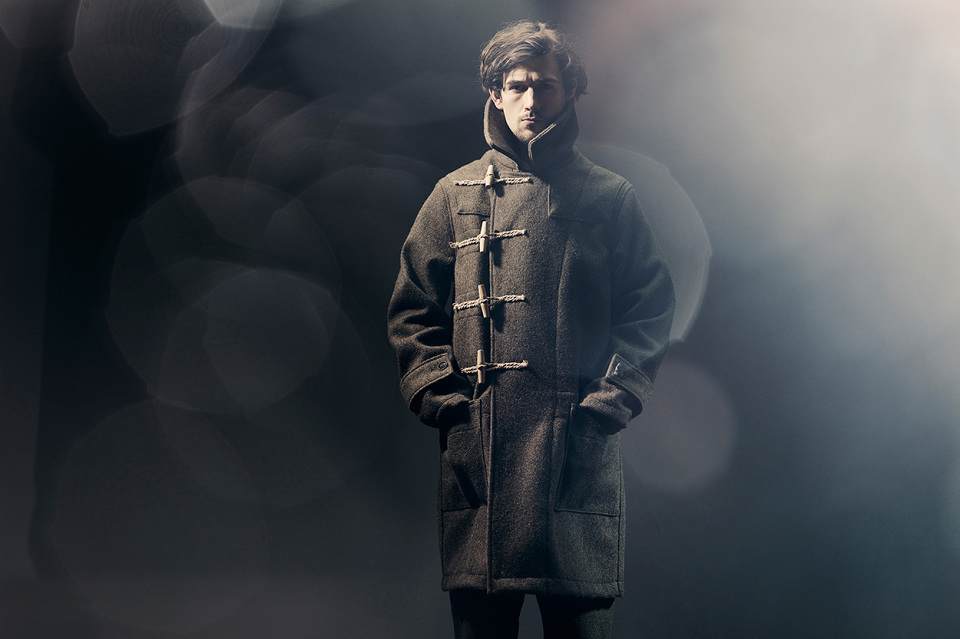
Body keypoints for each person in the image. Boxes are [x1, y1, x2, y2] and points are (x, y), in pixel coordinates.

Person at [387, 20, 675, 639]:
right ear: (495, 93)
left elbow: (649, 309)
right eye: (516, 85)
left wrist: (607, 405)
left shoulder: (609, 197)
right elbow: (412, 309)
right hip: (480, 461)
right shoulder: (454, 195)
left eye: (545, 85)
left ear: (570, 92)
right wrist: (448, 404)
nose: (531, 100)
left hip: (573, 457)